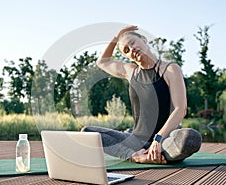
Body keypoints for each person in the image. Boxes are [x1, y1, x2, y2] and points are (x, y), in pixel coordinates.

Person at [82, 25, 202, 164]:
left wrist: (158, 139)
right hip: (135, 140)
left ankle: (155, 154)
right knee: (89, 132)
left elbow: (180, 109)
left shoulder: (169, 70)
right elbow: (102, 62)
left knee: (190, 138)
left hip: (165, 141)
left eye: (132, 43)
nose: (131, 49)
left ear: (144, 40)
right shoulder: (130, 71)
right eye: (126, 50)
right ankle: (136, 156)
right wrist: (116, 38)